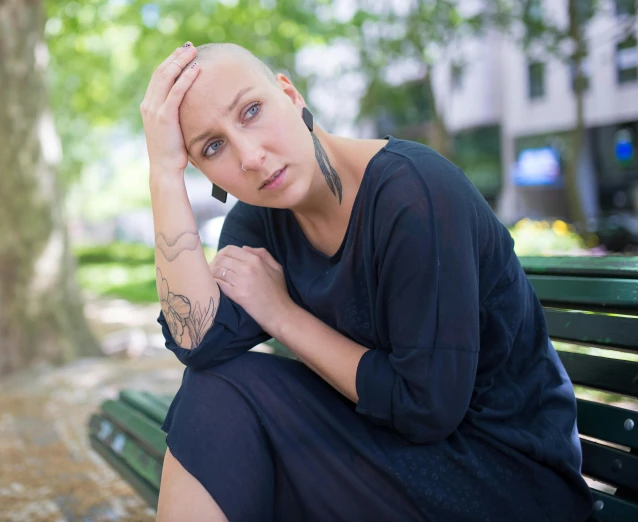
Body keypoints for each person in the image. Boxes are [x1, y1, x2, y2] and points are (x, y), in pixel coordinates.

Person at [143, 42, 593, 522]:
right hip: (390, 454)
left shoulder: (414, 194)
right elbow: (201, 342)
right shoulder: (263, 220)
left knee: (227, 417)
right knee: (216, 390)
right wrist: (164, 175)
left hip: (504, 478)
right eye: (213, 147)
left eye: (251, 111)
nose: (250, 157)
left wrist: (281, 314)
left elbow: (427, 409)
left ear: (290, 96)